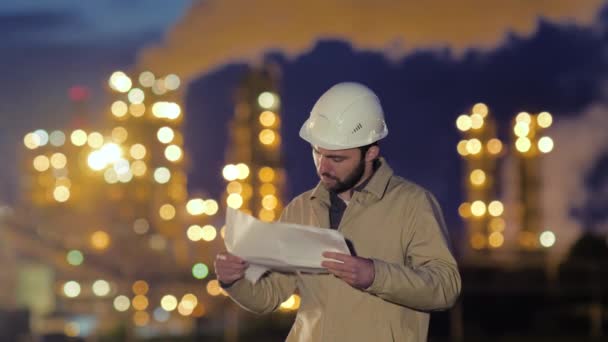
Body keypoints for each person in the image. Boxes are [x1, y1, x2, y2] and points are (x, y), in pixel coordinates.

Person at [215, 82, 461, 341]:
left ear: (371, 153)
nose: (323, 167)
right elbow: (271, 295)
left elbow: (445, 287)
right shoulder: (301, 208)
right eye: (317, 153)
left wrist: (374, 275)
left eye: (336, 158)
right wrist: (235, 281)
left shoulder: (412, 204)